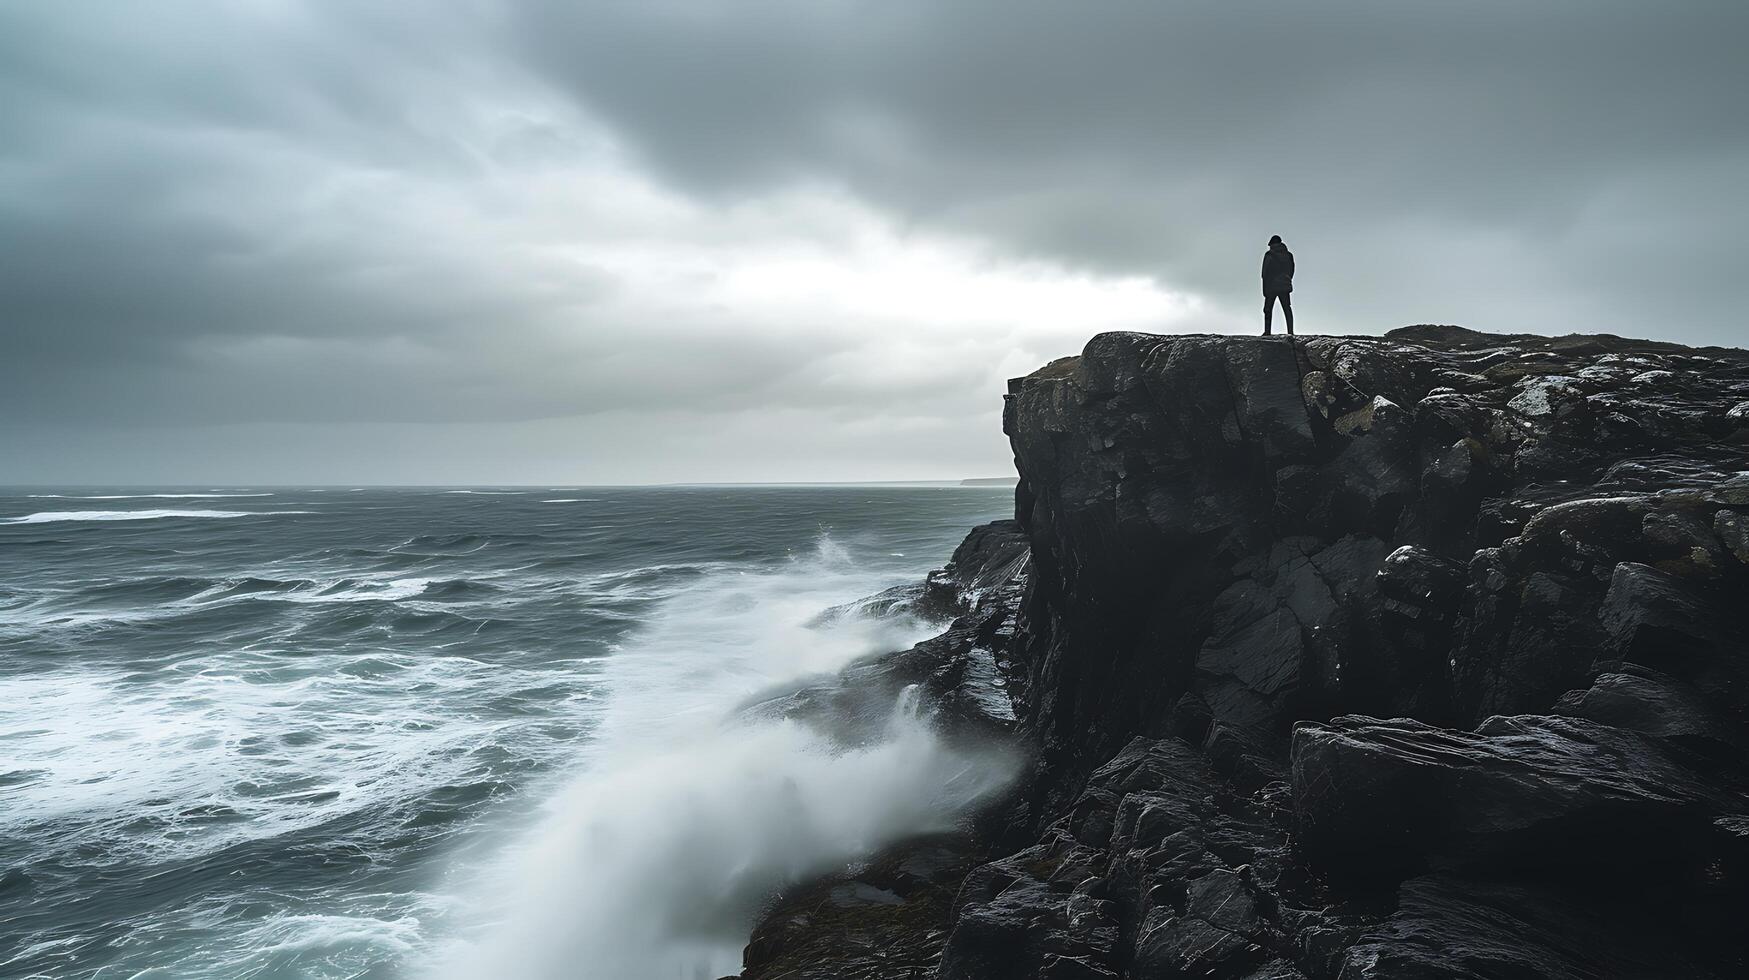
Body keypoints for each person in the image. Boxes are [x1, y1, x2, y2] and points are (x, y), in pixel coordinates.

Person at [1261, 235, 1294, 336]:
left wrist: (1265, 289)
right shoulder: (1288, 255)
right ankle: (1290, 332)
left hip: (1271, 286)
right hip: (1284, 285)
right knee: (1287, 308)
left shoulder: (1269, 255)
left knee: (1268, 309)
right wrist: (1287, 280)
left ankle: (1267, 331)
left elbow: (1265, 273)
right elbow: (1292, 270)